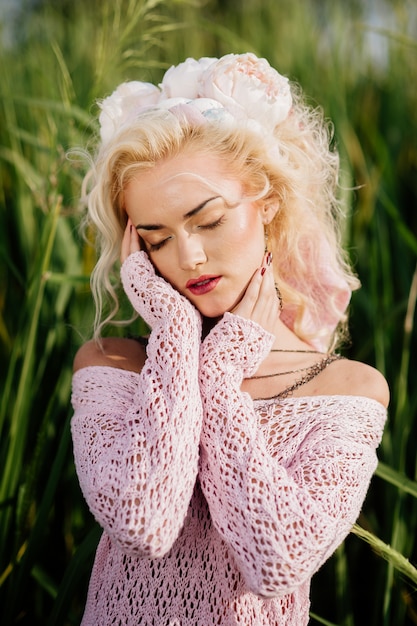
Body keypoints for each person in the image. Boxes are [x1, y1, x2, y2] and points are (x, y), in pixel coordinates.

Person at [70, 52, 389, 626]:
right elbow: (145, 522)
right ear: (133, 251)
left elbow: (276, 561)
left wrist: (218, 373)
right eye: (157, 238)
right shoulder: (111, 366)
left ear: (267, 202)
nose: (188, 257)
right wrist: (173, 332)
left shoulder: (348, 390)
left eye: (209, 220)